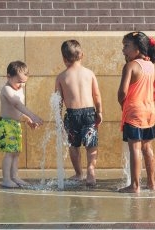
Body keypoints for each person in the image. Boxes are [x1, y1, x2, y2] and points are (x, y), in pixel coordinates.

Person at [117, 31, 155, 193]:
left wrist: (123, 103)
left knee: (135, 149)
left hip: (134, 112)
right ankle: (152, 183)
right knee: (147, 148)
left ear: (137, 48)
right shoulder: (151, 66)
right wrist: (147, 100)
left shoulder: (130, 66)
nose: (123, 50)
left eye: (126, 46)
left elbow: (122, 92)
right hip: (149, 112)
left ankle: (135, 185)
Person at [55, 39, 103, 186]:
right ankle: (91, 171)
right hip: (89, 113)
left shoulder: (61, 77)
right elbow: (96, 95)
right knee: (91, 144)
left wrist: (58, 119)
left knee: (73, 145)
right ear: (82, 55)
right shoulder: (89, 74)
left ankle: (78, 173)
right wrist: (99, 111)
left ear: (64, 59)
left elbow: (58, 101)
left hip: (72, 115)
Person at [0, 61, 43, 188]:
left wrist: (28, 119)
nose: (21, 84)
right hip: (6, 125)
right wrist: (33, 115)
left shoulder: (19, 89)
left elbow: (18, 111)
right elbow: (17, 104)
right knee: (9, 153)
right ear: (8, 76)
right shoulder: (7, 89)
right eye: (19, 81)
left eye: (24, 82)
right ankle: (6, 179)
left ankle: (15, 176)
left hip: (15, 125)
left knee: (16, 152)